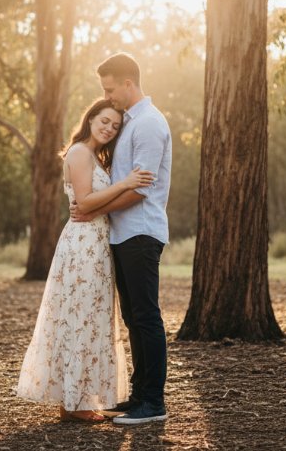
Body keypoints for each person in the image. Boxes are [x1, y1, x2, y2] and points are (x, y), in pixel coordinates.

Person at [16, 98, 155, 422]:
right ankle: (73, 403)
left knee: (90, 318)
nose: (109, 128)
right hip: (82, 247)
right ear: (91, 118)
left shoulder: (94, 155)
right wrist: (125, 183)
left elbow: (93, 203)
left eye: (115, 126)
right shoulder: (79, 152)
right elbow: (84, 201)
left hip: (97, 244)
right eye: (104, 121)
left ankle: (78, 400)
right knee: (79, 317)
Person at [72, 52, 172, 425]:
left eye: (111, 90)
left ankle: (154, 402)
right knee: (133, 316)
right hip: (123, 234)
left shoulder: (148, 124)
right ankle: (139, 394)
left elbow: (141, 190)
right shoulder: (129, 123)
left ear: (128, 83)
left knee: (146, 317)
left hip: (141, 232)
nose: (108, 97)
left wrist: (93, 211)